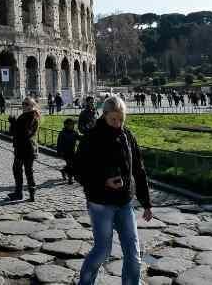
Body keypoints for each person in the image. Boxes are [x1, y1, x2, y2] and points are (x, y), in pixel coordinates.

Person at [76, 96, 153, 285]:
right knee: (102, 251)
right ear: (105, 115)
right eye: (113, 119)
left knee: (134, 253)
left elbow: (138, 169)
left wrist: (146, 202)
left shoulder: (127, 135)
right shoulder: (92, 136)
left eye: (121, 119)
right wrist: (104, 181)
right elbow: (79, 170)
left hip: (124, 201)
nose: (118, 124)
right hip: (101, 202)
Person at [6, 96, 40, 201]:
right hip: (21, 147)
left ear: (32, 106)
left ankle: (29, 193)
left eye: (26, 104)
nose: (24, 106)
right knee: (18, 170)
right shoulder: (24, 116)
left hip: (27, 148)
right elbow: (12, 132)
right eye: (23, 103)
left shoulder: (32, 116)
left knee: (26, 171)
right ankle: (19, 192)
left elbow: (26, 133)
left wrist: (15, 123)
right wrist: (13, 123)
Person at [57, 117, 78, 184]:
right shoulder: (62, 133)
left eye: (72, 125)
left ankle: (63, 171)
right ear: (66, 125)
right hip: (65, 152)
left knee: (73, 164)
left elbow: (80, 138)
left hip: (72, 151)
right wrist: (59, 152)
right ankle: (70, 179)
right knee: (70, 165)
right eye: (70, 125)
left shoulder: (75, 133)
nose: (72, 126)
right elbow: (59, 143)